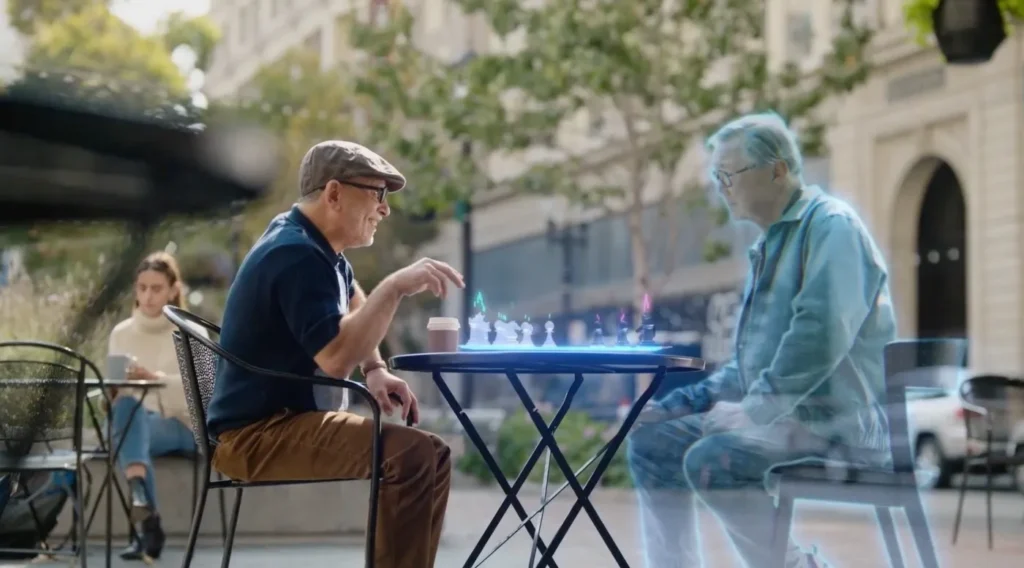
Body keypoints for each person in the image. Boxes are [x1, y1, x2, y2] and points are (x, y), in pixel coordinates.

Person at [627, 112, 895, 568]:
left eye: (729, 174)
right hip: (783, 416)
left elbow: (822, 334)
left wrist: (754, 409)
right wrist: (682, 403)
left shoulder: (832, 227)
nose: (721, 187)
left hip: (836, 422)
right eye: (717, 176)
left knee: (714, 459)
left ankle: (794, 566)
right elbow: (745, 367)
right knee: (653, 440)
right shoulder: (769, 247)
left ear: (778, 170)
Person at [205, 140, 463, 568]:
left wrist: (376, 368)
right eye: (378, 194)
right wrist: (396, 286)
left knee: (432, 455)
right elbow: (334, 358)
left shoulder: (309, 243)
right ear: (334, 193)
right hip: (256, 436)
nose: (385, 209)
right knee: (412, 455)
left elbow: (353, 297)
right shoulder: (296, 255)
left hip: (278, 423)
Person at [107, 251, 205, 561]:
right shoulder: (121, 333)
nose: (147, 296)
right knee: (126, 410)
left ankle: (144, 518)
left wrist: (154, 379)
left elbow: (205, 394)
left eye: (156, 288)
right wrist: (115, 387)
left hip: (186, 426)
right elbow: (113, 394)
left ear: (174, 289)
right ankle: (148, 522)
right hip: (138, 422)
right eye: (142, 287)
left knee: (126, 427)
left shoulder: (192, 332)